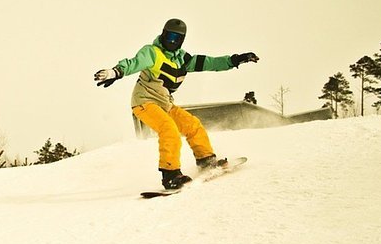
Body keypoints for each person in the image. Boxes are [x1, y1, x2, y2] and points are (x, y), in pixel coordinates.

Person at [94, 18, 259, 190]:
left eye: (177, 38)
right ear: (163, 35)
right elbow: (133, 63)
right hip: (144, 102)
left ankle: (206, 161)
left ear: (182, 41)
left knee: (192, 124)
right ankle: (170, 175)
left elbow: (210, 62)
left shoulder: (184, 60)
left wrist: (235, 60)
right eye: (169, 36)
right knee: (169, 129)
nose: (172, 41)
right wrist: (115, 72)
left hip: (165, 104)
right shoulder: (152, 52)